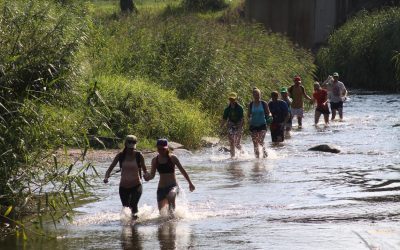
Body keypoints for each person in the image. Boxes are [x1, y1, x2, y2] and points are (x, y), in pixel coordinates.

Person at [103, 135, 148, 221]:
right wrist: (106, 177)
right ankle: (129, 225)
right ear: (125, 144)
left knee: (133, 205)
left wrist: (147, 175)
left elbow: (145, 170)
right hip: (123, 187)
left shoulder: (139, 155)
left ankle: (134, 228)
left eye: (133, 146)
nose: (131, 149)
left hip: (136, 185)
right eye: (130, 146)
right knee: (126, 208)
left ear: (135, 145)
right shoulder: (120, 156)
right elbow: (109, 169)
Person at [145, 139, 195, 215]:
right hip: (161, 188)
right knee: (162, 214)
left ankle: (173, 222)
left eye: (163, 149)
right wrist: (147, 177)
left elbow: (182, 171)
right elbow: (152, 175)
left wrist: (190, 183)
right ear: (157, 148)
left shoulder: (173, 158)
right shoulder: (155, 160)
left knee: (171, 196)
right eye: (159, 149)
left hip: (173, 186)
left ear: (167, 148)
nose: (161, 151)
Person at [248, 87, 272, 158]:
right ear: (253, 95)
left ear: (260, 95)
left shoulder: (264, 103)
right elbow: (248, 115)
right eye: (255, 95)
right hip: (253, 125)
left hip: (262, 125)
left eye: (258, 95)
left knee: (260, 141)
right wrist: (249, 119)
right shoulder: (251, 104)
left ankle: (264, 152)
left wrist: (270, 116)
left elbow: (268, 113)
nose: (257, 96)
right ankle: (257, 160)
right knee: (255, 143)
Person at [221, 92, 244, 158]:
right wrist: (221, 126)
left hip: (239, 125)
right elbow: (224, 119)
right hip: (231, 125)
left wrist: (240, 128)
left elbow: (242, 119)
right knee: (231, 142)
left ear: (236, 99)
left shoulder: (240, 108)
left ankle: (242, 154)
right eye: (230, 99)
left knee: (237, 144)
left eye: (233, 99)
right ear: (229, 99)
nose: (232, 101)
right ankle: (232, 157)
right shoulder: (227, 109)